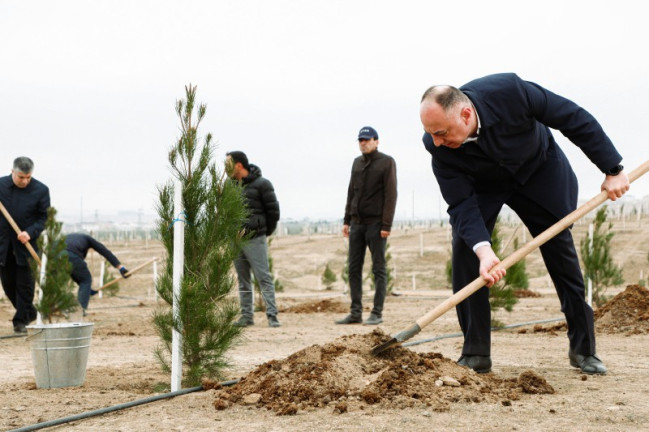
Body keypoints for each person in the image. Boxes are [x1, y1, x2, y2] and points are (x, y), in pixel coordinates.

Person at [419, 73, 630, 375]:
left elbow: (572, 118)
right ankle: (476, 352)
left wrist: (613, 169)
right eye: (431, 133)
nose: (436, 141)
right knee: (467, 250)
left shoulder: (511, 92)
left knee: (561, 253)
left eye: (441, 132)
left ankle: (584, 349)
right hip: (484, 186)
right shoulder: (437, 146)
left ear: (465, 114)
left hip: (538, 172)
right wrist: (483, 251)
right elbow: (461, 204)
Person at [336, 126, 397, 326]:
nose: (363, 143)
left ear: (376, 141)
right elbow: (350, 193)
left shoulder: (386, 162)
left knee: (378, 268)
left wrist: (386, 224)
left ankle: (377, 312)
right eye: (361, 140)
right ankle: (355, 313)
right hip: (356, 224)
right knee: (353, 268)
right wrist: (346, 220)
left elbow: (391, 195)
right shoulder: (356, 163)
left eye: (367, 140)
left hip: (376, 224)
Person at [226, 151, 281, 328]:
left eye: (228, 164)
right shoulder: (229, 186)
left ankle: (272, 316)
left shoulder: (262, 184)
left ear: (239, 165)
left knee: (263, 277)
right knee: (243, 280)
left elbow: (273, 212)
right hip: (235, 240)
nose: (225, 169)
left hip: (255, 238)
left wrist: (262, 232)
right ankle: (246, 316)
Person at [0, 157, 50, 333]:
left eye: (28, 177)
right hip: (4, 246)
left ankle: (20, 322)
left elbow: (44, 218)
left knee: (25, 285)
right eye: (21, 177)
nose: (25, 181)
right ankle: (29, 312)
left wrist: (30, 232)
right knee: (8, 285)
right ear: (13, 172)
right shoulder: (1, 186)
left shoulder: (41, 190)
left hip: (26, 246)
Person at [64, 233, 130, 315]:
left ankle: (54, 308)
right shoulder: (88, 239)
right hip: (72, 255)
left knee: (58, 282)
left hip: (53, 256)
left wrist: (87, 290)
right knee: (86, 279)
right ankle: (80, 310)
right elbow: (104, 251)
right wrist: (120, 267)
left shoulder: (66, 238)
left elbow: (76, 274)